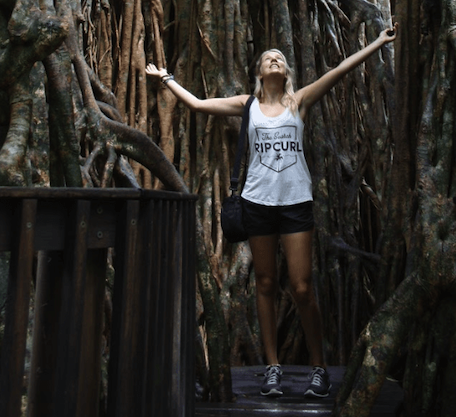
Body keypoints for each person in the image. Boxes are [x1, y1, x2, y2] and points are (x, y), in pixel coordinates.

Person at [145, 23, 397, 399]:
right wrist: (165, 78)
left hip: (296, 202)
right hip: (257, 202)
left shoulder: (300, 101)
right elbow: (198, 104)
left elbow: (339, 70)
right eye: (268, 59)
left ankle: (318, 368)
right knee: (264, 283)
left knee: (301, 286)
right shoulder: (247, 104)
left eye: (279, 58)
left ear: (286, 72)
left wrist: (377, 42)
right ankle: (272, 366)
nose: (274, 60)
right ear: (260, 72)